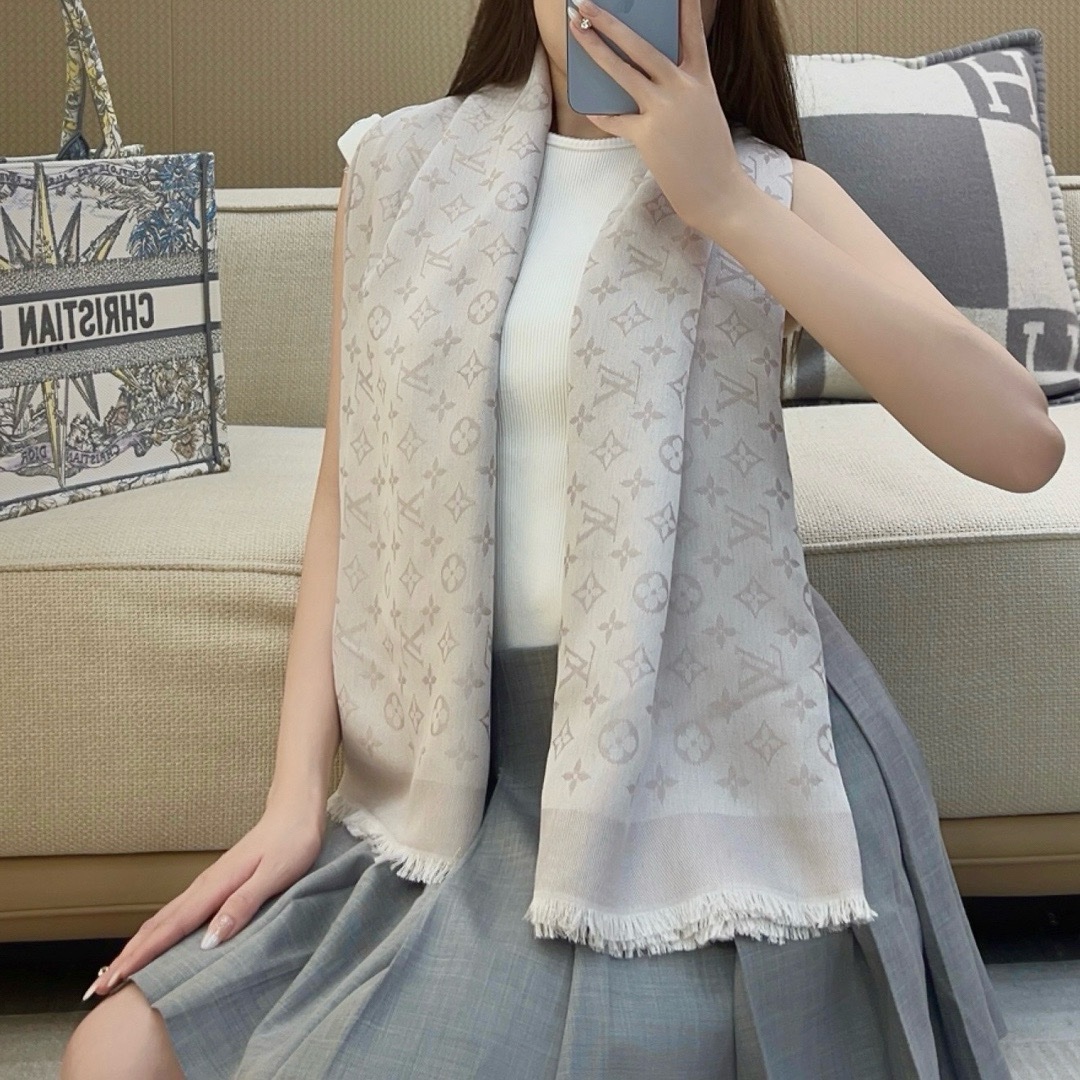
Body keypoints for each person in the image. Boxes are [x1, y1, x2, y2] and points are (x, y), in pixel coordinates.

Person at [61, 0, 1060, 1074]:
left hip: (707, 764)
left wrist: (723, 202)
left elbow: (1021, 444)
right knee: (111, 1053)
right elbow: (347, 497)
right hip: (456, 771)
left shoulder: (770, 189)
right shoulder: (396, 169)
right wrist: (294, 799)